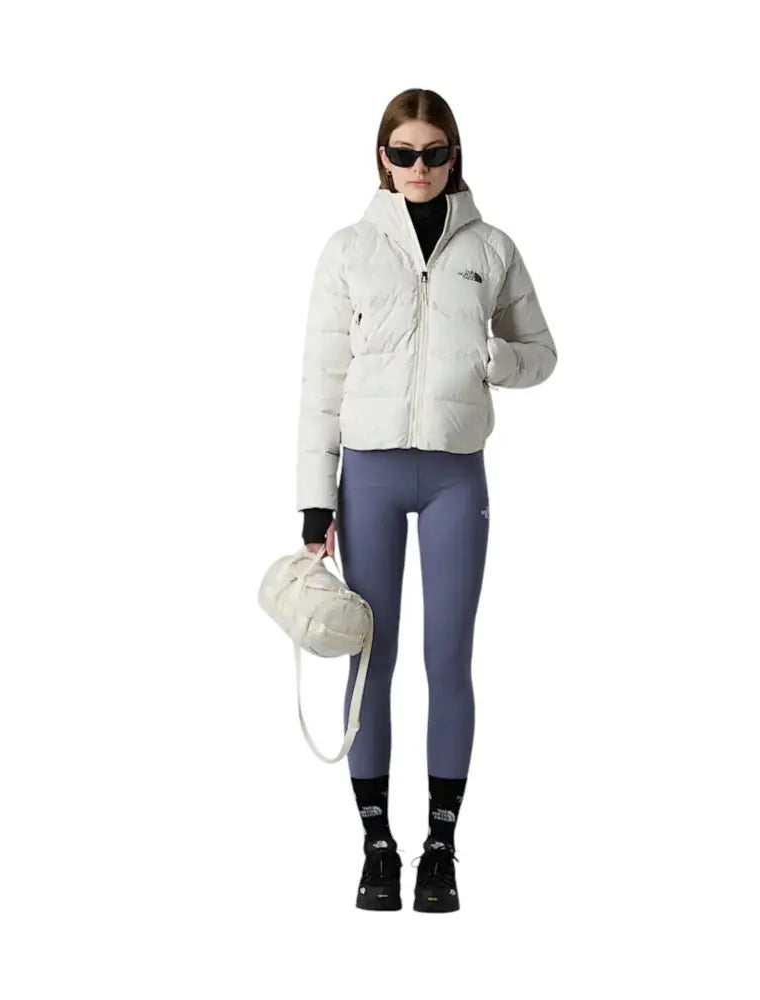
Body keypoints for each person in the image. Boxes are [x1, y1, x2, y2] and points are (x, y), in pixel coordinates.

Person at [295, 88, 557, 912]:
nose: (419, 167)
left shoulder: (492, 248)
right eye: (403, 153)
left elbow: (542, 352)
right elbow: (321, 382)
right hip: (367, 477)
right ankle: (377, 846)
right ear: (383, 157)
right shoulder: (348, 250)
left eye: (433, 152)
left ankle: (440, 847)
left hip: (454, 477)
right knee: (370, 660)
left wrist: (496, 361)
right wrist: (314, 503)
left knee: (448, 661)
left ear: (454, 156)